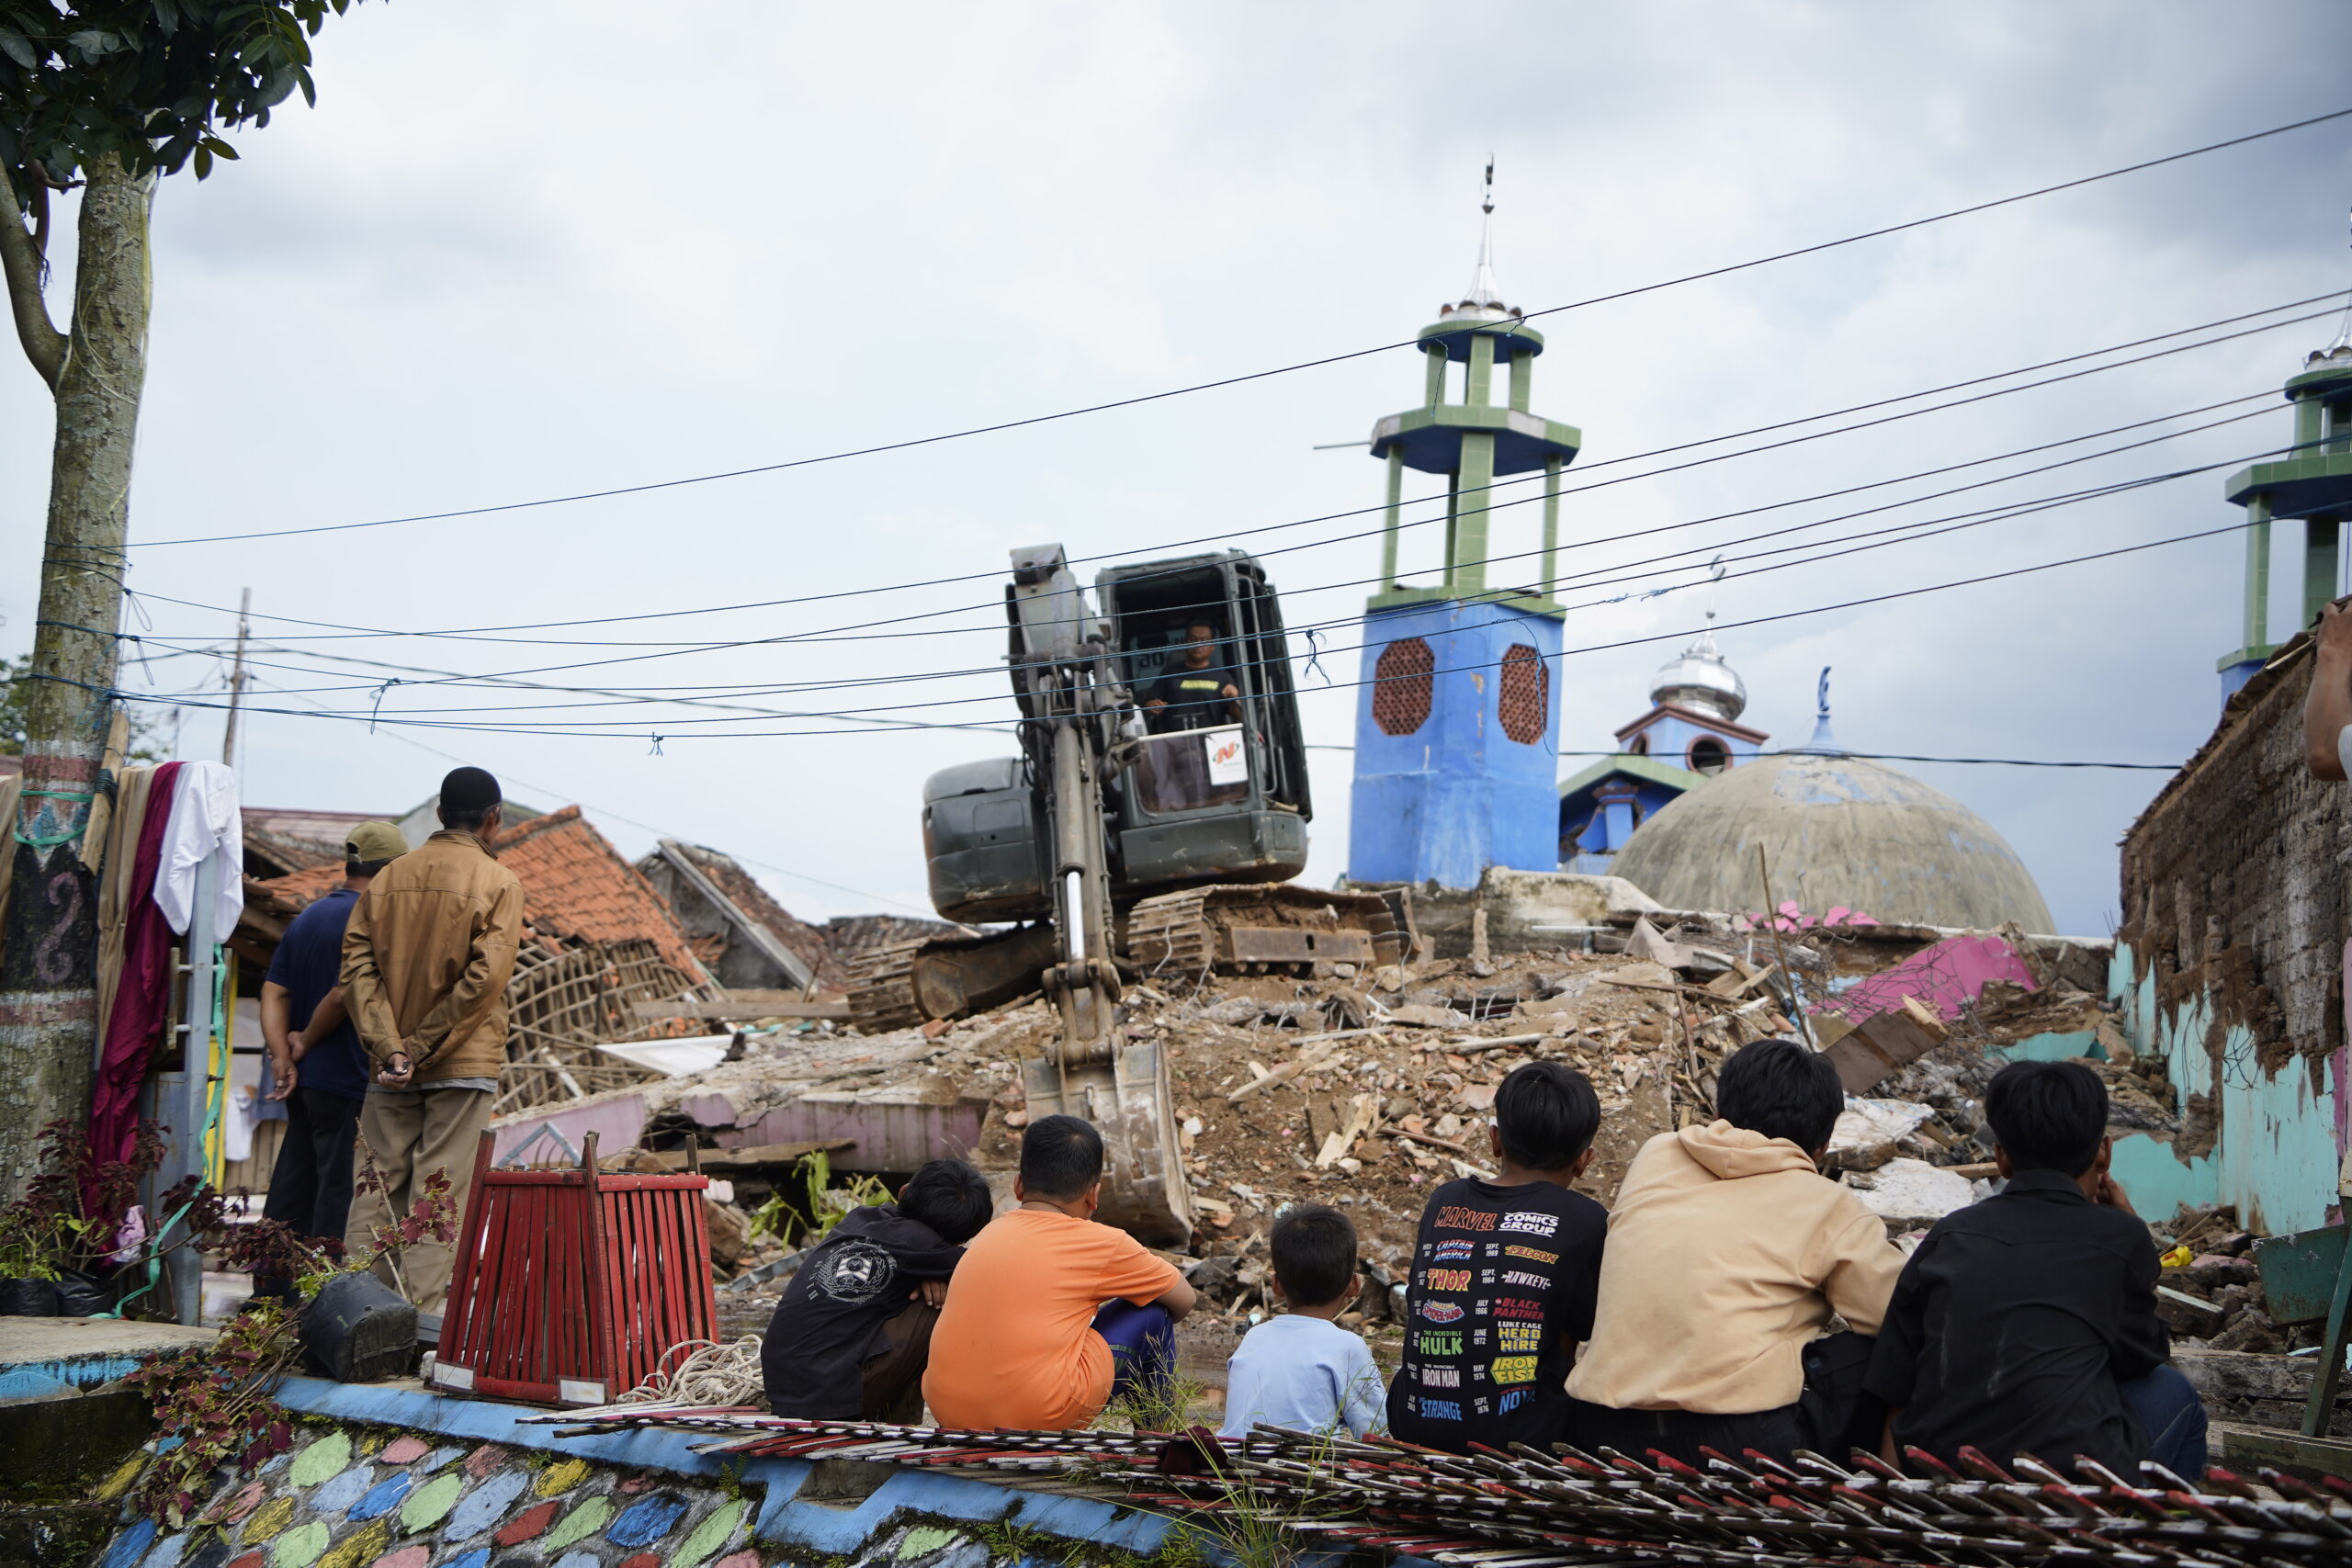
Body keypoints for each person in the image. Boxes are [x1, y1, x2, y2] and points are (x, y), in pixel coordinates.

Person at [1566, 1038, 1905, 1465]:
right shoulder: (1829, 1205)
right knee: (1877, 1351)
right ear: (1822, 1147)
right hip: (1740, 1442)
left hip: (1604, 1428)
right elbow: (1901, 1314)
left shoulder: (1656, 1156)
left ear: (1719, 1114)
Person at [1864, 1059, 2205, 1476]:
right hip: (2067, 1477)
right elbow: (2140, 1357)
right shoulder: (2119, 1237)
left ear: (2001, 1159)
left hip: (1946, 1474)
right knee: (2173, 1391)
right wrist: (2133, 1236)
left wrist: (1891, 1494)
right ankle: (2159, 1532)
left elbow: (1897, 1387)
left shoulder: (1948, 1237)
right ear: (2104, 1151)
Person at [341, 767, 525, 1314]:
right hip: (461, 1062)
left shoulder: (387, 879)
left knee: (375, 1191)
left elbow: (356, 970)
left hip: (389, 1064)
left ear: (440, 814)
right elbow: (485, 981)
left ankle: (356, 1317)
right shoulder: (500, 884)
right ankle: (413, 1323)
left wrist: (392, 1046)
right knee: (437, 1194)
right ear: (494, 819)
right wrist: (418, 1047)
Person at [1387, 1061, 1608, 1453]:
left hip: (1411, 1421)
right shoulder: (1586, 1220)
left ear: (1495, 1141)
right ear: (1583, 1161)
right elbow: (1579, 1332)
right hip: (1520, 1439)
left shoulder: (1444, 1200)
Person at [923, 1115, 1198, 1429]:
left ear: (1018, 1185)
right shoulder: (1104, 1242)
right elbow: (1184, 1300)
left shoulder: (988, 1235)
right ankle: (1156, 1443)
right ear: (1094, 1195)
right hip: (1036, 1416)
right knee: (1153, 1311)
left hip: (949, 1411)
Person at [252, 820, 408, 1299]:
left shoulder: (310, 915)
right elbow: (345, 996)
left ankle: (270, 1293)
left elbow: (274, 991)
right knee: (337, 1195)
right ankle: (319, 1301)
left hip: (305, 1083)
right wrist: (302, 1042)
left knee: (291, 1185)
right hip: (343, 1078)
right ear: (391, 870)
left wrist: (282, 1056)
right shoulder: (371, 919)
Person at [762, 1158, 996, 1422]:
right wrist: (938, 1271)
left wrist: (930, 1271)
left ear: (904, 1192)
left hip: (785, 1391)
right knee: (944, 1303)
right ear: (956, 1240)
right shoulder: (925, 1247)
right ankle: (903, 1423)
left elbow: (905, 1258)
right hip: (827, 1401)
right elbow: (991, 1271)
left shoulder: (859, 1219)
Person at [1220, 1204, 1385, 1440]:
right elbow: (1377, 1432)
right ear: (1354, 1285)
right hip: (1302, 1470)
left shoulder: (1253, 1336)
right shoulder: (1348, 1347)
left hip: (1233, 1465)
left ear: (1276, 1285)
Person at [1141, 622, 1241, 732]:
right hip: (1174, 742)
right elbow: (1148, 704)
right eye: (1193, 639)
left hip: (1212, 741)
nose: (1198, 645)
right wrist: (1152, 705)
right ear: (1185, 642)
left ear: (1212, 646)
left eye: (1204, 641)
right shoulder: (1169, 673)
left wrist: (1233, 699)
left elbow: (1238, 717)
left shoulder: (1222, 677)